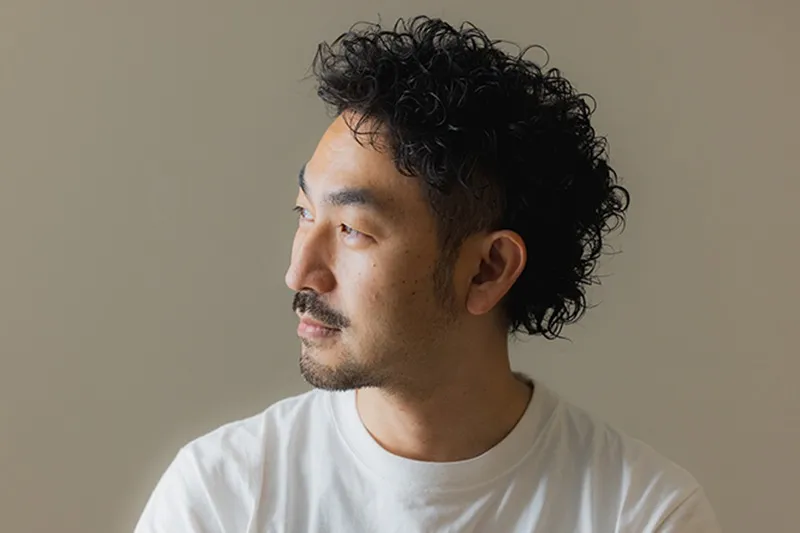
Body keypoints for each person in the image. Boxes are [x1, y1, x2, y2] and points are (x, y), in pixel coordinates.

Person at [134, 16, 720, 532]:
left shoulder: (640, 514)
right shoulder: (224, 495)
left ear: (488, 270)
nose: (299, 273)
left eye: (352, 230)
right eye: (304, 213)